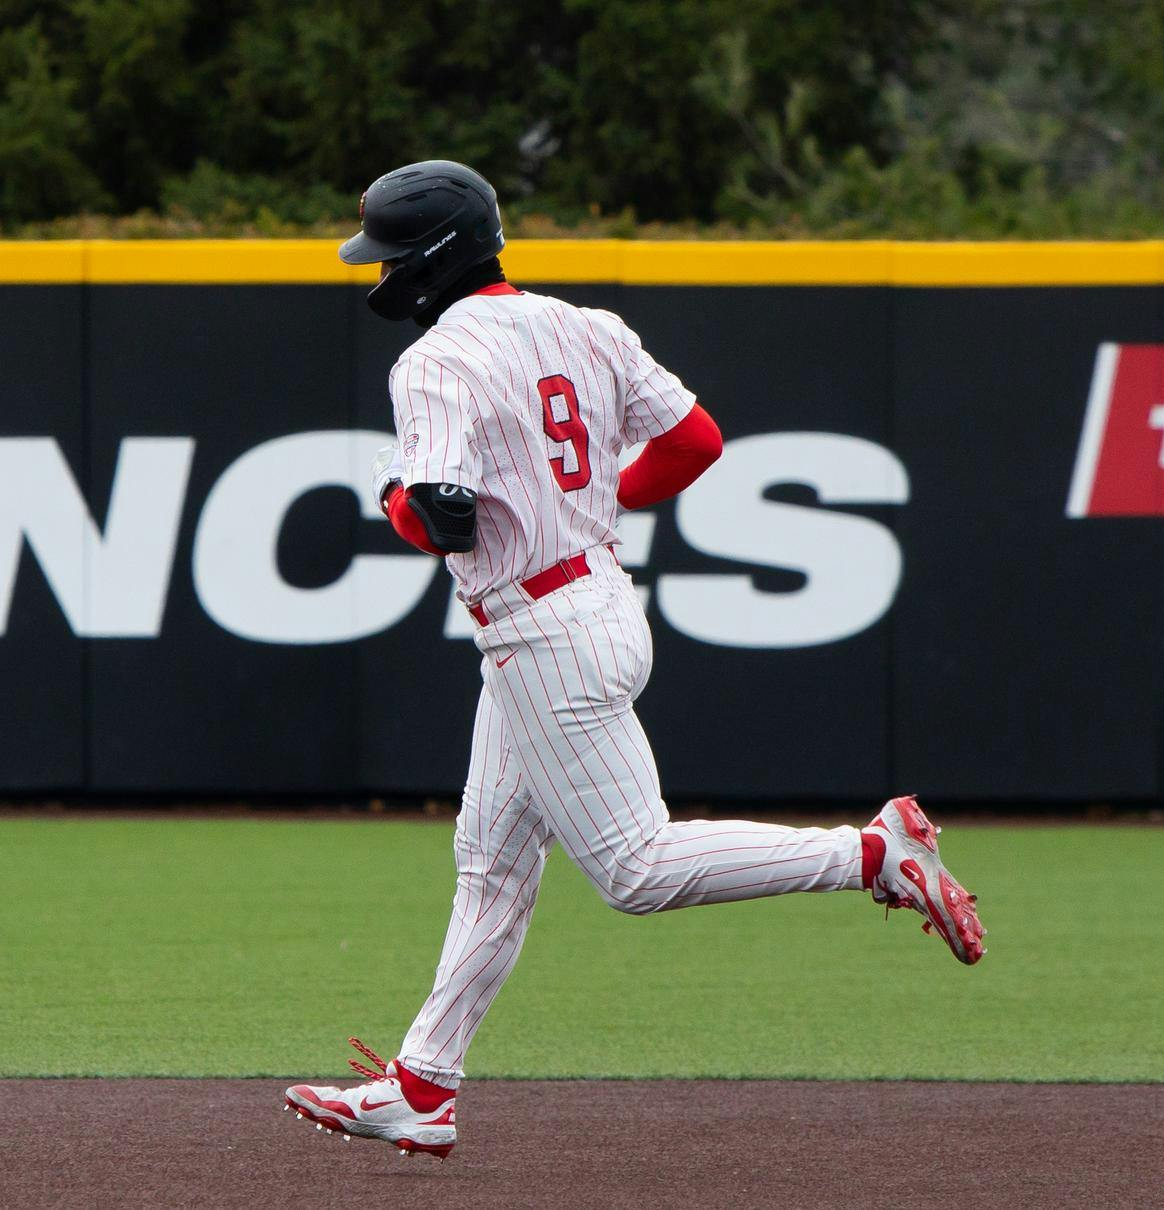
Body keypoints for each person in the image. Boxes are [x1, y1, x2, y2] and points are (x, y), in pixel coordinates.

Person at [283, 160, 987, 1159]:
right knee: (490, 862)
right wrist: (597, 503)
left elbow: (439, 516)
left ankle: (872, 853)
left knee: (632, 868)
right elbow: (695, 441)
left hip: (541, 631)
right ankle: (421, 1085)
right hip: (591, 598)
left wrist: (390, 493)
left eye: (391, 253)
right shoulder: (586, 326)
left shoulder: (432, 362)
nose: (381, 271)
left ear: (429, 259)